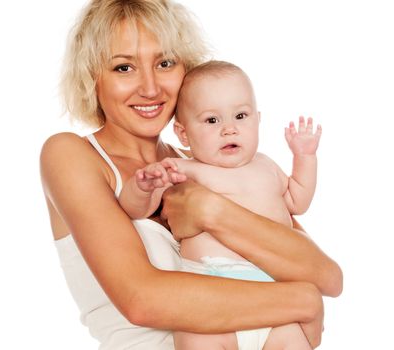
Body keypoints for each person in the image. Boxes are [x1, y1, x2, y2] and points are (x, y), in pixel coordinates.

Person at [40, 1, 342, 349]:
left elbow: (327, 275)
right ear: (91, 76)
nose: (151, 88)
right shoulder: (72, 154)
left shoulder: (208, 164)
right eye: (124, 68)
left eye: (165, 63)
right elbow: (142, 300)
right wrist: (301, 301)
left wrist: (208, 210)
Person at [119, 60, 323, 350]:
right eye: (212, 120)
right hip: (209, 299)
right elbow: (135, 210)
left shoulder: (267, 167)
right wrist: (142, 187)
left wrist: (305, 158)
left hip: (276, 301)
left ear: (258, 119)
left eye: (240, 116)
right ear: (184, 134)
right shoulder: (184, 169)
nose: (229, 129)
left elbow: (297, 201)